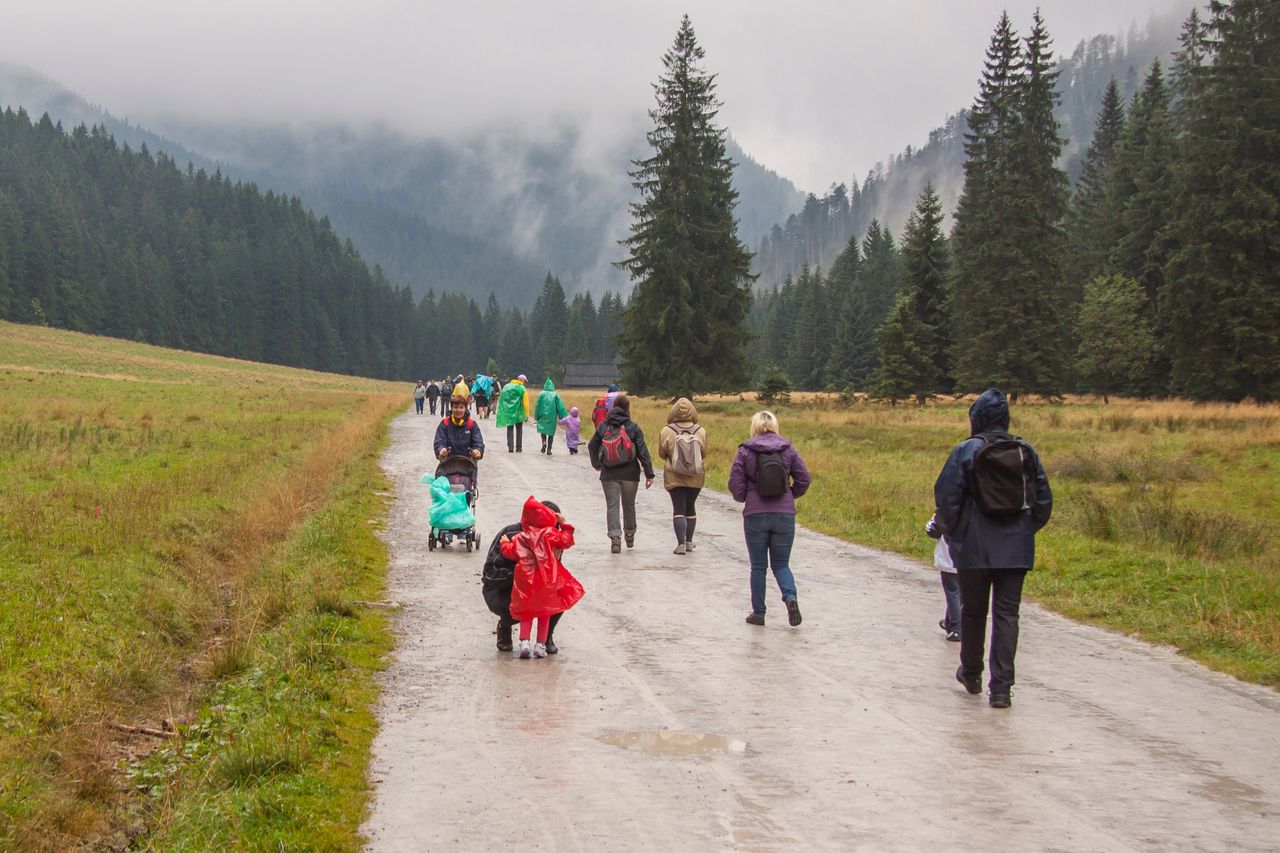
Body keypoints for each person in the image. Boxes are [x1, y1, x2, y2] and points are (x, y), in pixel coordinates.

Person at [933, 388, 1052, 709]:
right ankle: (1001, 689)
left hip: (973, 548)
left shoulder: (966, 450)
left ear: (977, 418)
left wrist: (952, 533)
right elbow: (1043, 501)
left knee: (973, 611)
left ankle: (971, 673)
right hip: (1016, 549)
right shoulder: (1026, 450)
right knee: (1007, 615)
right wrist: (1025, 531)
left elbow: (947, 497)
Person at [728, 410, 811, 628]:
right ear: (775, 425)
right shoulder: (788, 450)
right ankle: (790, 597)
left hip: (755, 514)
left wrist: (746, 496)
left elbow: (736, 486)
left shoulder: (745, 451)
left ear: (754, 426)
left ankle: (759, 613)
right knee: (781, 564)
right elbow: (804, 478)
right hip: (784, 514)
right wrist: (790, 495)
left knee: (758, 567)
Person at [501, 496, 584, 659]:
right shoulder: (550, 534)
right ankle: (540, 645)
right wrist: (564, 523)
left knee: (526, 613)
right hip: (547, 582)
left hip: (525, 582)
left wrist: (504, 543)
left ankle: (524, 642)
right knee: (545, 614)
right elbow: (566, 540)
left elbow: (510, 553)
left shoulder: (520, 537)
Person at [482, 500, 567, 653]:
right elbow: (489, 574)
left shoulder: (551, 539)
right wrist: (519, 575)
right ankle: (506, 625)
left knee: (563, 591)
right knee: (518, 603)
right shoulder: (512, 534)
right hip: (506, 588)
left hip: (539, 590)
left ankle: (546, 637)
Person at [587, 394, 654, 553]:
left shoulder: (603, 426)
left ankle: (615, 539)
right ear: (627, 408)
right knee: (629, 505)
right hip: (630, 474)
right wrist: (649, 473)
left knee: (612, 506)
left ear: (612, 408)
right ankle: (629, 535)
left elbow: (591, 446)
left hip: (608, 474)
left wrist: (597, 464)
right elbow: (642, 451)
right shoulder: (633, 427)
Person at [658, 397, 708, 555]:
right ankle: (689, 541)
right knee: (690, 507)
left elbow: (661, 453)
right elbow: (704, 453)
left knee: (678, 508)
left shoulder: (667, 431)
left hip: (674, 475)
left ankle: (680, 544)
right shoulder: (700, 431)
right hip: (695, 476)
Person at [926, 513, 960, 641]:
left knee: (953, 593)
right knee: (960, 593)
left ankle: (957, 628)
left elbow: (932, 530)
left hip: (949, 559)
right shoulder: (972, 508)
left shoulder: (945, 510)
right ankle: (949, 621)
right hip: (968, 559)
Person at [433, 384, 485, 461]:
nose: (458, 410)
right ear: (451, 408)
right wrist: (441, 450)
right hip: (447, 465)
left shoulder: (471, 424)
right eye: (455, 407)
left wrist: (478, 450)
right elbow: (439, 441)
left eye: (461, 407)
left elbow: (478, 442)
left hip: (468, 465)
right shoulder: (445, 423)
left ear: (465, 409)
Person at [496, 374, 531, 453]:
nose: (524, 382)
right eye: (525, 381)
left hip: (508, 412)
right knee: (519, 430)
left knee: (510, 429)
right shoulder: (522, 388)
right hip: (519, 413)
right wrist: (526, 414)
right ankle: (519, 447)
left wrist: (502, 411)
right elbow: (525, 403)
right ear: (522, 380)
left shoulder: (507, 387)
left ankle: (510, 447)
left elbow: (502, 400)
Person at [534, 377, 569, 455]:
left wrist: (536, 416)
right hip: (552, 416)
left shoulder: (541, 394)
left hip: (542, 415)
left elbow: (537, 406)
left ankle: (543, 442)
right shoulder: (555, 395)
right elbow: (560, 406)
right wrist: (562, 416)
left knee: (543, 430)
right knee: (551, 433)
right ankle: (549, 449)